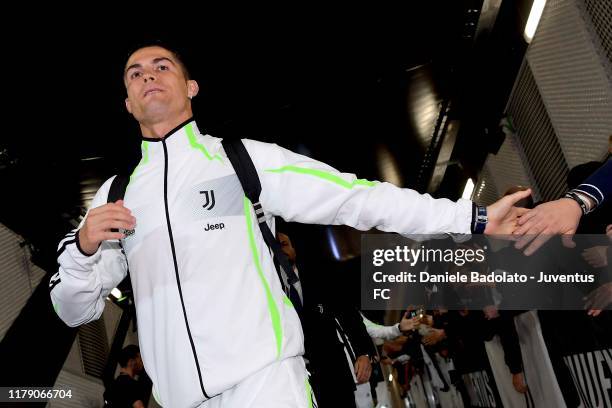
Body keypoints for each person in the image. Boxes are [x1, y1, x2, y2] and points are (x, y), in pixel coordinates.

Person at [50, 42, 532, 408]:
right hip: (180, 399)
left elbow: (355, 198)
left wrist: (471, 217)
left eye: (162, 67)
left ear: (191, 87)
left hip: (266, 383)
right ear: (128, 101)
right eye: (135, 74)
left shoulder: (241, 160)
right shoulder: (116, 195)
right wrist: (83, 250)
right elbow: (74, 311)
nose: (148, 77)